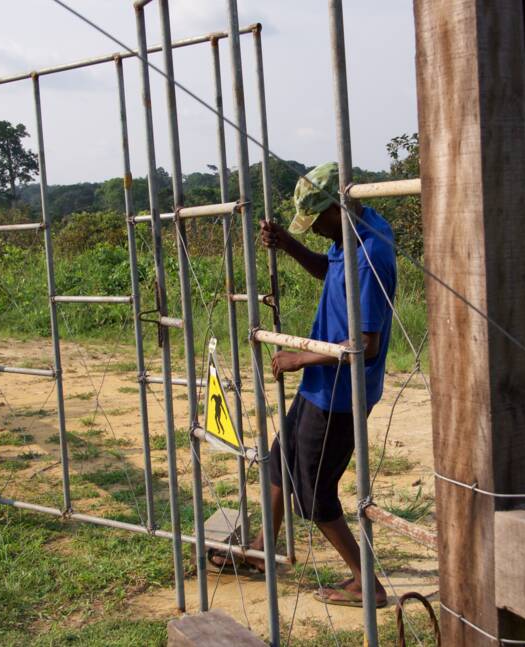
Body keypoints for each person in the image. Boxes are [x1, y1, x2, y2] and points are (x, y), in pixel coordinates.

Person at [212, 161, 396, 609]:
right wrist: (291, 246)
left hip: (339, 392)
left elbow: (366, 346)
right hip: (322, 382)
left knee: (314, 492)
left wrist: (300, 356)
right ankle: (261, 548)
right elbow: (327, 271)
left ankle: (366, 581)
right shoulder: (348, 235)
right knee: (280, 461)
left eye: (316, 221)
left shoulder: (371, 253)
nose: (312, 230)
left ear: (339, 206)